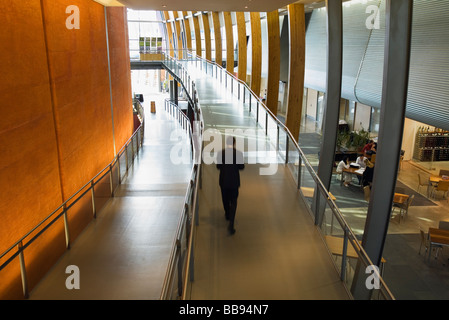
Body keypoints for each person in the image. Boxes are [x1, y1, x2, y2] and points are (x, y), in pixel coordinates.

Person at [216, 136, 245, 235]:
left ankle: (227, 214)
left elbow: (218, 166)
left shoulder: (221, 153)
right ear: (234, 143)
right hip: (234, 181)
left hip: (223, 180)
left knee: (225, 199)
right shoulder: (239, 153)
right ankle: (231, 222)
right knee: (234, 201)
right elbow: (241, 167)